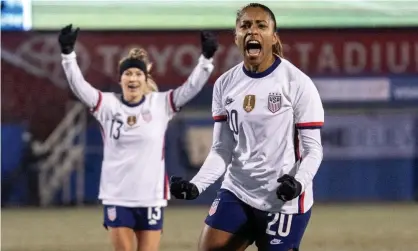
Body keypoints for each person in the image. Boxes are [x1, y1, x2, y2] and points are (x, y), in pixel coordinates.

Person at [170, 3, 324, 251]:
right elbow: (222, 149)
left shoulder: (297, 83)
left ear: (273, 38)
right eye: (245, 25)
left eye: (261, 25)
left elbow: (313, 150)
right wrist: (196, 185)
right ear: (237, 37)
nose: (253, 30)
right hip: (237, 192)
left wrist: (297, 184)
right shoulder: (224, 84)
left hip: (282, 200)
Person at [58, 24, 218, 251]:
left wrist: (206, 60)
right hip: (117, 196)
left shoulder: (161, 104)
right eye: (128, 73)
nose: (132, 78)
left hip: (151, 197)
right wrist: (67, 55)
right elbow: (79, 86)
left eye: (137, 74)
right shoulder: (107, 105)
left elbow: (191, 88)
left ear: (145, 79)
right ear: (121, 78)